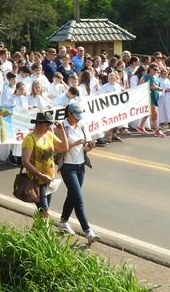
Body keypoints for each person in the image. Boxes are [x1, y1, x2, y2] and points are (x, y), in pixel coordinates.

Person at [56, 102, 99, 243]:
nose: (78, 118)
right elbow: (58, 148)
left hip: (80, 166)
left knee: (72, 196)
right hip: (67, 167)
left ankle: (63, 222)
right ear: (69, 114)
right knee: (78, 199)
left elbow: (85, 148)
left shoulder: (82, 126)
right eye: (76, 116)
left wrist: (90, 146)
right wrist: (75, 143)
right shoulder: (61, 127)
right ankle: (88, 231)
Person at [21, 110, 69, 221]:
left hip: (49, 180)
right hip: (37, 180)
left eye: (49, 124)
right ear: (38, 123)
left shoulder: (49, 135)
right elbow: (25, 161)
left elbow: (64, 147)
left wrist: (61, 130)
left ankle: (35, 231)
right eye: (46, 124)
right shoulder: (30, 139)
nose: (49, 127)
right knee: (45, 212)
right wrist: (41, 176)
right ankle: (42, 231)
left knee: (42, 212)